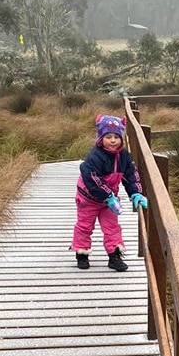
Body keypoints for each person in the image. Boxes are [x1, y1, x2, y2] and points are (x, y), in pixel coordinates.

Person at [71, 114, 148, 271]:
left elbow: (131, 176)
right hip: (89, 199)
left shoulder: (124, 157)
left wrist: (136, 193)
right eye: (108, 136)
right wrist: (108, 196)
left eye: (116, 137)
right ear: (101, 138)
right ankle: (82, 254)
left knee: (112, 227)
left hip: (109, 200)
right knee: (85, 226)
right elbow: (92, 179)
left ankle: (114, 257)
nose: (113, 140)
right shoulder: (95, 157)